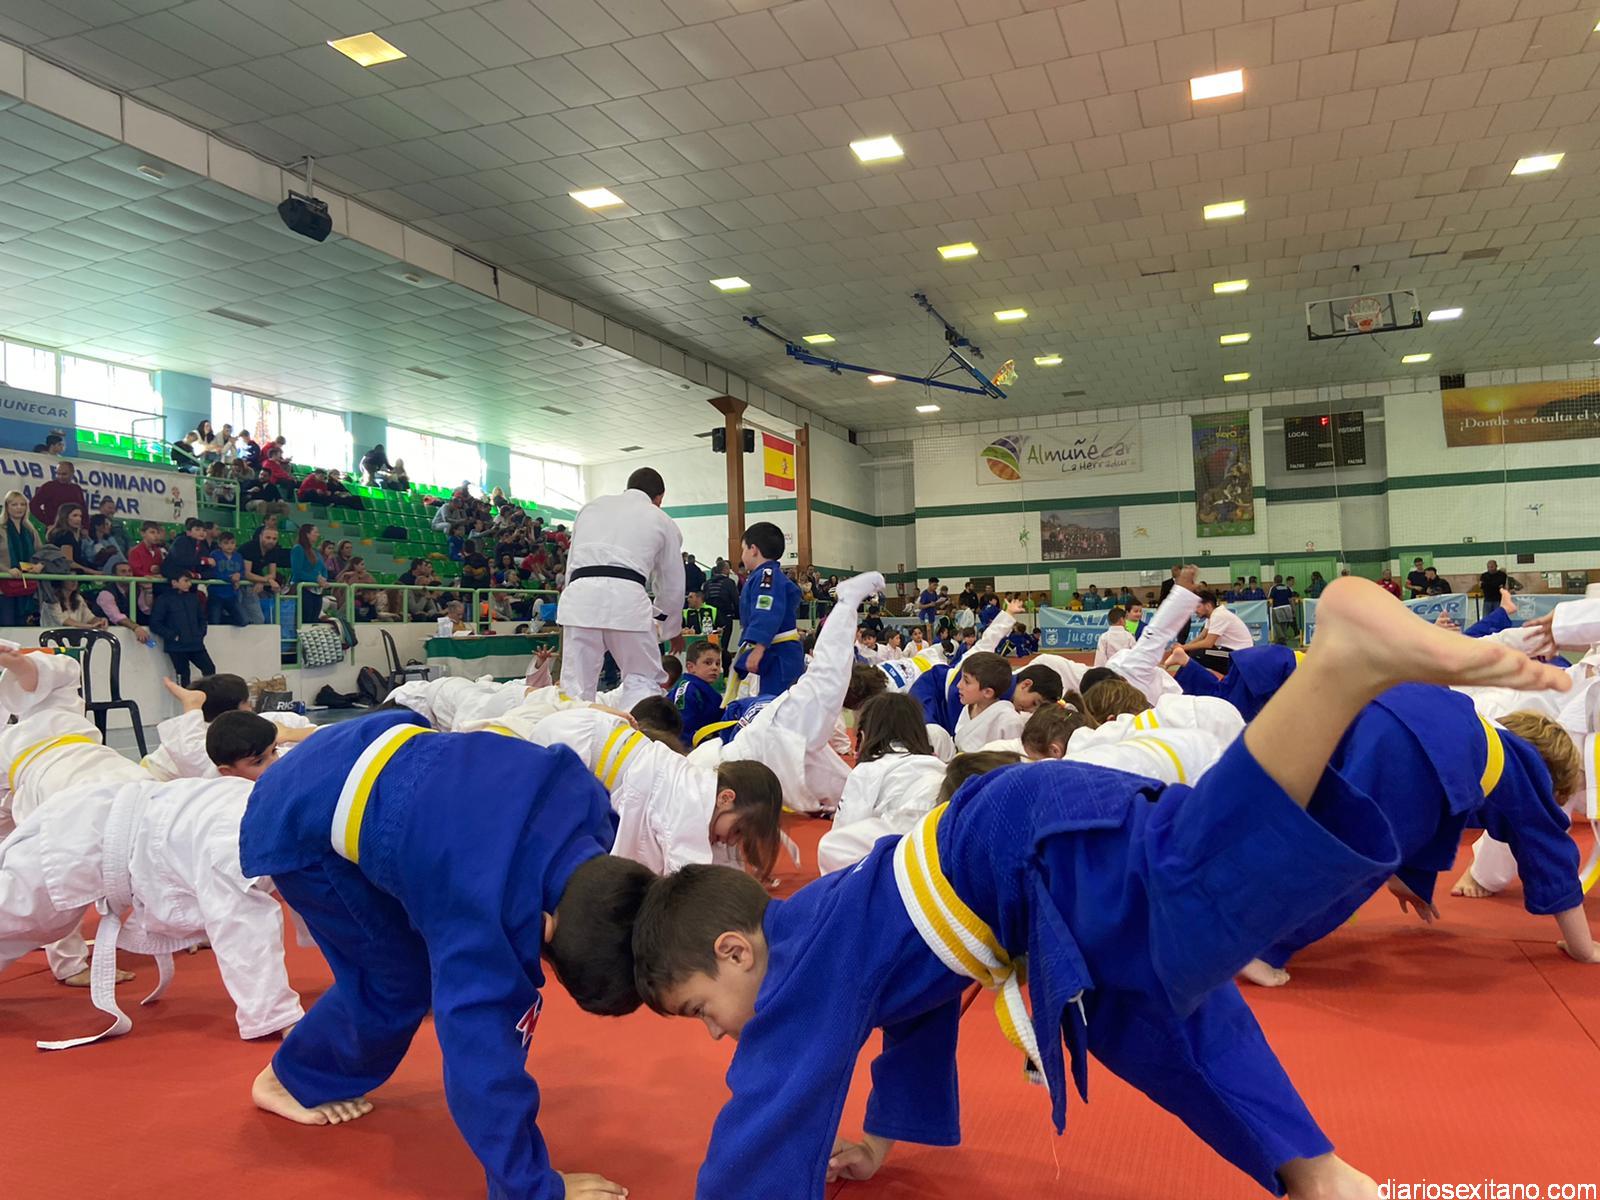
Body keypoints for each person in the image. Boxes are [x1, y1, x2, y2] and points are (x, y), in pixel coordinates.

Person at [631, 577, 1572, 1200]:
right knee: (1152, 1012)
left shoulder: (796, 967)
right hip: (1018, 850)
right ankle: (1312, 1168)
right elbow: (913, 1014)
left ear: (734, 949)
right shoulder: (834, 942)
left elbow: (767, 1110)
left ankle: (1337, 667)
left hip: (1015, 849)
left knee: (1188, 901)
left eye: (699, 1008)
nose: (715, 1033)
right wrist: (879, 1140)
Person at [237, 709, 656, 1199]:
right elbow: (481, 1062)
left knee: (423, 961)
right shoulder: (486, 914)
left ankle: (312, 1064)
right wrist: (532, 1188)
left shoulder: (588, 806)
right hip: (298, 813)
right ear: (545, 927)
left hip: (369, 747)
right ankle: (291, 1079)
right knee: (395, 982)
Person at [556, 466, 685, 706]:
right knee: (642, 681)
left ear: (627, 488)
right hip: (627, 603)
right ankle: (641, 729)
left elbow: (571, 565)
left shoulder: (590, 508)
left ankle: (572, 728)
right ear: (659, 498)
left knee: (575, 686)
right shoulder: (660, 519)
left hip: (580, 599)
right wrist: (670, 627)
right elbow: (672, 583)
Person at [732, 521, 803, 699]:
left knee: (776, 705)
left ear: (753, 549)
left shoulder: (767, 577)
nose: (742, 555)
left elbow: (766, 612)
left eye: (743, 549)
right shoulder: (767, 576)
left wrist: (759, 648)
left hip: (778, 654)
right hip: (777, 651)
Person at [150, 573, 213, 686]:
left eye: (189, 581)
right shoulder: (164, 599)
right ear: (174, 582)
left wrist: (200, 633)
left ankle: (208, 694)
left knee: (209, 668)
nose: (189, 584)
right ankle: (184, 696)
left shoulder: (193, 598)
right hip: (176, 647)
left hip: (196, 644)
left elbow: (202, 618)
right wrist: (173, 636)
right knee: (183, 674)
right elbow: (155, 623)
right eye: (185, 580)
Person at [1182, 588, 1255, 672]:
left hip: (1240, 655)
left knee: (1197, 654)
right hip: (1233, 652)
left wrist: (1183, 647)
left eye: (1198, 606)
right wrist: (1183, 648)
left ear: (1208, 606)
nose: (1195, 610)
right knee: (1191, 651)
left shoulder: (1218, 615)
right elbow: (1201, 637)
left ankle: (1232, 676)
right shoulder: (1212, 615)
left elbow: (1208, 643)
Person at [0, 491, 43, 627]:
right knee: (7, 625)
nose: (19, 508)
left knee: (22, 625)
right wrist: (7, 570)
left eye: (22, 504)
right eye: (14, 504)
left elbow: (41, 553)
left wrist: (39, 565)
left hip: (26, 586)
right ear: (7, 507)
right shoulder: (1, 529)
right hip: (3, 588)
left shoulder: (30, 530)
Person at [669, 643, 725, 745]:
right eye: (708, 663)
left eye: (717, 663)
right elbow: (682, 729)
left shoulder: (709, 692)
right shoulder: (686, 690)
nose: (715, 668)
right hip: (689, 747)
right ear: (691, 667)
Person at [94, 561, 150, 642]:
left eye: (129, 571)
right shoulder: (106, 593)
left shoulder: (137, 588)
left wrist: (148, 590)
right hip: (106, 636)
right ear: (114, 576)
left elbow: (146, 610)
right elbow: (116, 617)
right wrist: (136, 627)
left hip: (130, 634)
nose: (128, 574)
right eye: (123, 571)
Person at [29, 460, 88, 527]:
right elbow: (33, 505)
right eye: (58, 474)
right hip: (54, 527)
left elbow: (83, 510)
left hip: (73, 528)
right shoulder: (48, 487)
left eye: (64, 474)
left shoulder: (77, 489)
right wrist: (46, 522)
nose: (60, 477)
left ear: (72, 473)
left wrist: (85, 527)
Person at [207, 531, 248, 627]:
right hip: (216, 594)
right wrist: (230, 579)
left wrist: (239, 576)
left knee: (243, 621)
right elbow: (212, 573)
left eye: (232, 543)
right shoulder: (214, 555)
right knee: (214, 623)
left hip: (232, 594)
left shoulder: (238, 556)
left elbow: (242, 571)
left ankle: (222, 619)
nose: (230, 546)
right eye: (226, 543)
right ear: (220, 544)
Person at [290, 523, 326, 622]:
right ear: (307, 534)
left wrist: (324, 579)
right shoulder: (298, 549)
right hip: (304, 590)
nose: (318, 535)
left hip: (317, 591)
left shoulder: (316, 552)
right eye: (315, 532)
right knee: (305, 619)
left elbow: (323, 568)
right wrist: (315, 579)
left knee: (314, 619)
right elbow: (297, 572)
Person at [46, 504, 94, 576]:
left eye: (80, 516)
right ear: (65, 517)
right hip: (64, 576)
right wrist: (92, 572)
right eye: (75, 515)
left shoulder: (76, 535)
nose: (78, 519)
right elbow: (69, 562)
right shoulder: (65, 535)